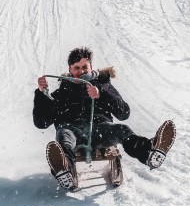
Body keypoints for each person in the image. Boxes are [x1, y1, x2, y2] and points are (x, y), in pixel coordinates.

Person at [33, 47, 176, 189]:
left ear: (91, 67)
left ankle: (149, 153)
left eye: (84, 67)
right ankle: (65, 169)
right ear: (69, 69)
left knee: (122, 129)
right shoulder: (62, 93)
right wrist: (41, 94)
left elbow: (124, 113)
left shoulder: (103, 86)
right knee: (64, 137)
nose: (81, 71)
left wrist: (102, 93)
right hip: (71, 130)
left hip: (99, 130)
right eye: (76, 68)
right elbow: (41, 122)